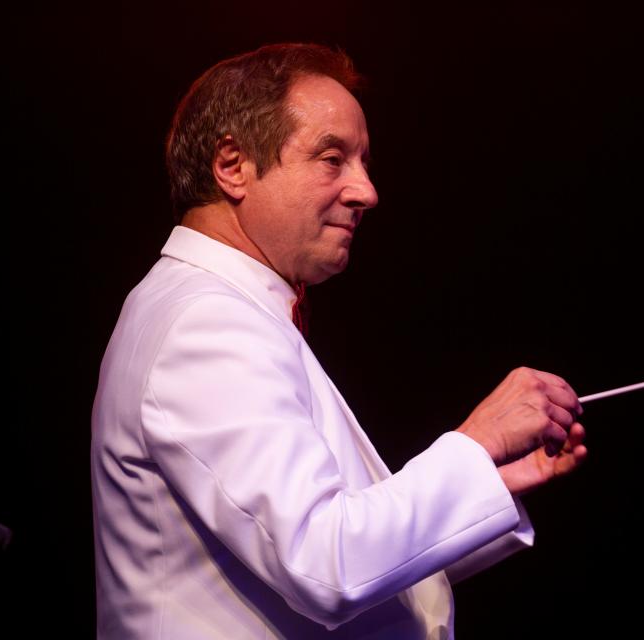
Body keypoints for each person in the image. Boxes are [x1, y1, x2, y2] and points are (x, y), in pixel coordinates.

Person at [91, 43, 588, 638]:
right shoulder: (204, 321)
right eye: (333, 159)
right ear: (232, 165)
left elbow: (315, 559)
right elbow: (326, 564)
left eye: (364, 162)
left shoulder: (229, 307)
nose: (367, 192)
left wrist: (488, 481)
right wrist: (474, 447)